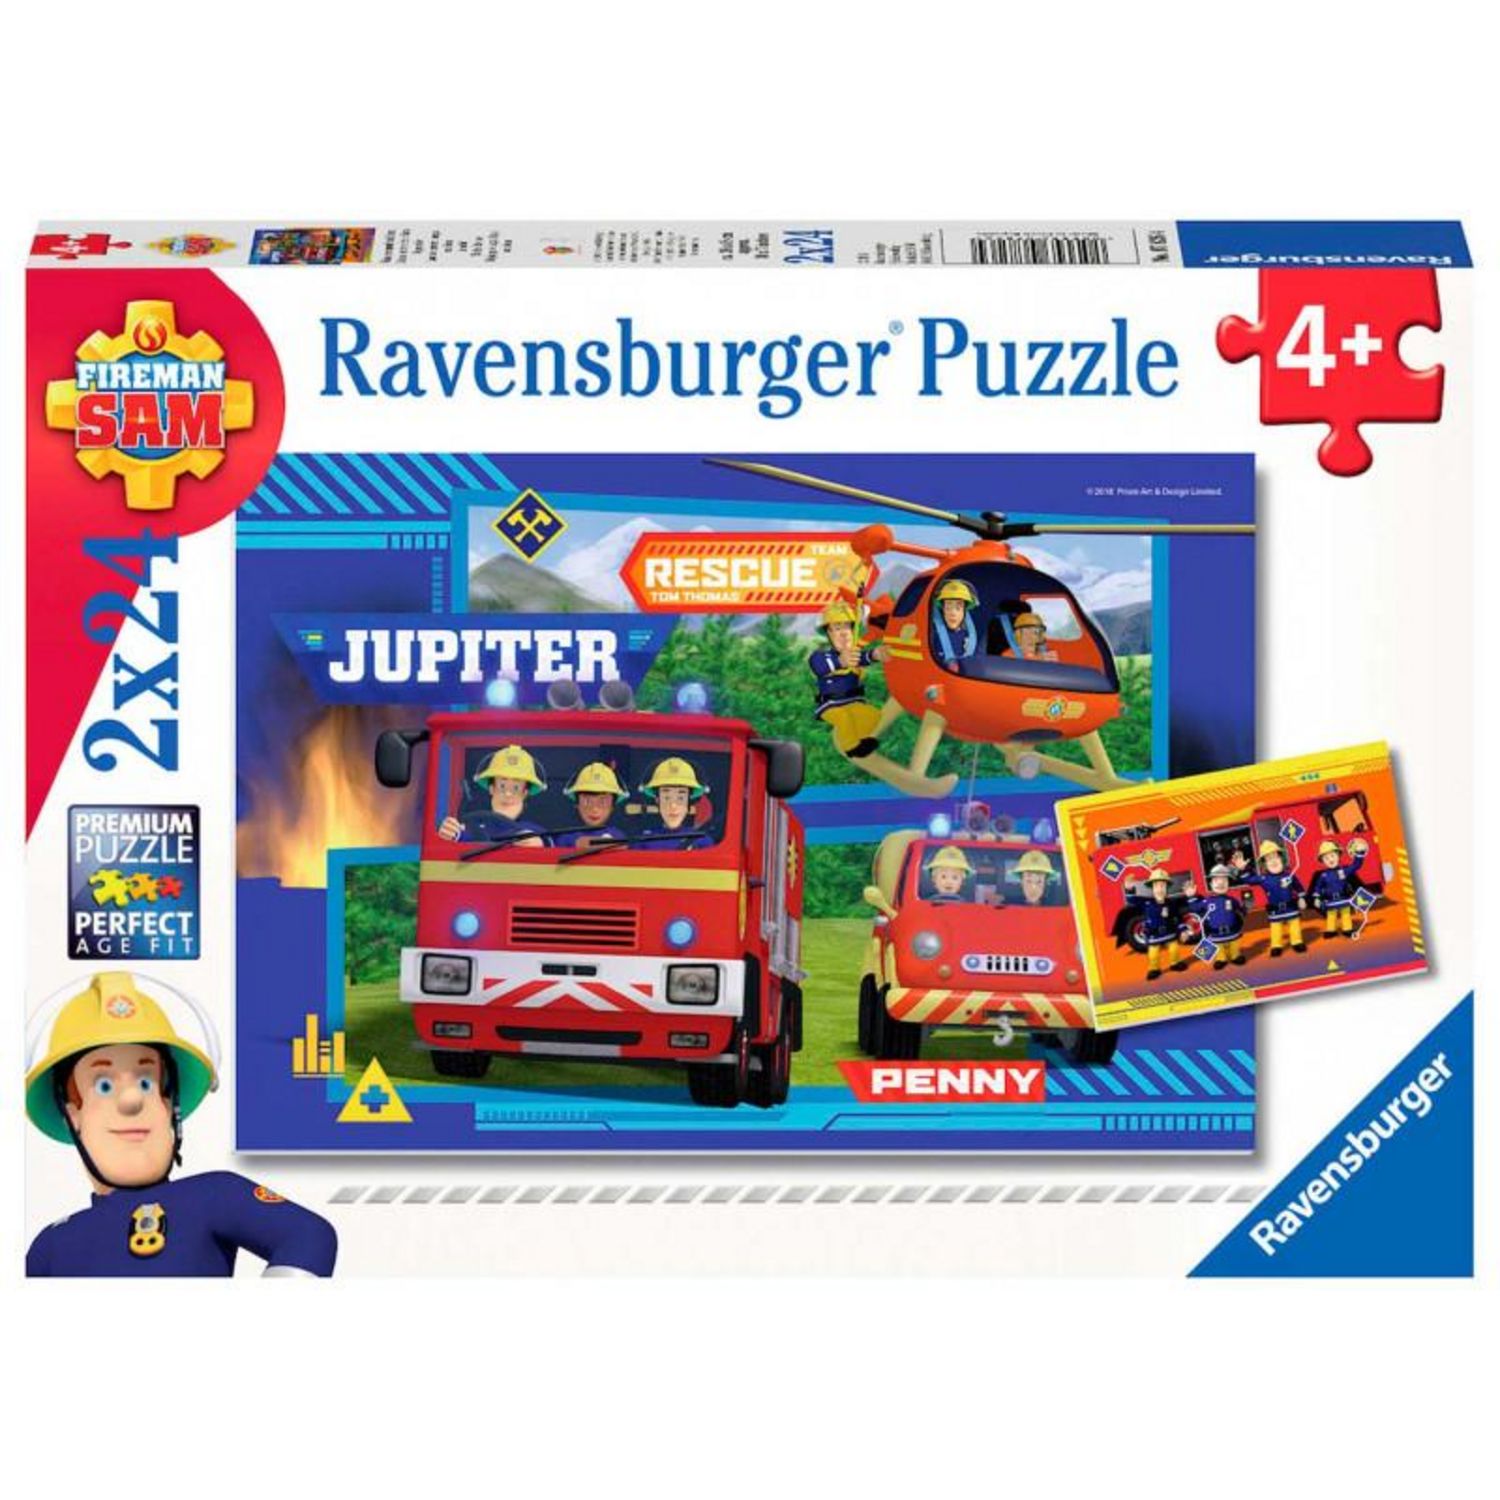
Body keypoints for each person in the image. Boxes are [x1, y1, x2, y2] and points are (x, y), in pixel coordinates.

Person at [25, 974, 337, 1277]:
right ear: (72, 1115)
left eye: (146, 1082)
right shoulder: (51, 1246)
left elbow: (308, 1236)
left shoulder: (213, 1194)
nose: (132, 1100)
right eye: (103, 1085)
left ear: (169, 1105)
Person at [807, 601, 881, 757]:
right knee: (843, 718)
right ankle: (851, 747)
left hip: (853, 700)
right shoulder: (821, 656)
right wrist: (840, 661)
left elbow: (864, 657)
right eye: (837, 628)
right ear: (828, 634)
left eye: (847, 627)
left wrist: (875, 654)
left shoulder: (854, 654)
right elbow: (820, 667)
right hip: (831, 704)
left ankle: (862, 740)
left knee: (872, 715)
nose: (844, 633)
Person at [439, 743, 547, 846]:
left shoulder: (534, 831)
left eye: (516, 788)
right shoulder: (473, 828)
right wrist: (449, 832)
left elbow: (552, 844)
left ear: (525, 793)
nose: (508, 794)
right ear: (492, 789)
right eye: (502, 786)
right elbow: (455, 841)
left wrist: (541, 843)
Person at [1231, 841, 1308, 956]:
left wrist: (1302, 898)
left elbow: (1299, 887)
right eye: (1268, 859)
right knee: (1275, 928)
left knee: (1294, 924)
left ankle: (1297, 941)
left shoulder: (1289, 875)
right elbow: (1248, 879)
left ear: (1282, 859)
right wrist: (1244, 868)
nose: (1273, 861)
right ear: (1264, 864)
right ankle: (1276, 945)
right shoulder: (1263, 878)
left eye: (1275, 857)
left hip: (1291, 907)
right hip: (1275, 910)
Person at [1183, 863, 1250, 969]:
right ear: (1210, 884)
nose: (1220, 883)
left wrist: (1245, 909)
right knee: (1219, 947)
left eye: (1224, 880)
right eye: (1216, 880)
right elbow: (1195, 907)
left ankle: (1235, 955)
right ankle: (1221, 959)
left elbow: (1240, 909)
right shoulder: (1207, 901)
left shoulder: (1232, 900)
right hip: (1215, 934)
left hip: (1232, 932)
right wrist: (1191, 897)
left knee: (1234, 945)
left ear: (1228, 883)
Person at [639, 757, 712, 849]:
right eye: (666, 798)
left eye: (680, 798)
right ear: (657, 800)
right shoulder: (644, 841)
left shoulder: (702, 841)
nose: (673, 806)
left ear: (688, 801)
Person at [1126, 872, 1187, 980]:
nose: (1160, 889)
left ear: (1167, 888)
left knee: (1174, 948)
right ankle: (1154, 969)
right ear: (1152, 888)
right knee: (1153, 953)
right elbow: (1131, 900)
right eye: (1156, 886)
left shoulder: (1171, 903)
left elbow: (1177, 917)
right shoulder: (1146, 902)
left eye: (1162, 886)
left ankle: (1175, 963)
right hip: (1153, 934)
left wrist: (1183, 930)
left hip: (1169, 932)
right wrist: (1129, 888)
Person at [555, 761, 629, 848]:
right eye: (587, 802)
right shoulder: (565, 838)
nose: (594, 809)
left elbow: (622, 845)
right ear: (577, 804)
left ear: (612, 806)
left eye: (603, 802)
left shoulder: (618, 835)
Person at [1308, 837, 1371, 939]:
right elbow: (1317, 888)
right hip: (1330, 901)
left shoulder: (1344, 871)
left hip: (1343, 898)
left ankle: (1347, 929)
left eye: (1332, 856)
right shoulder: (1323, 875)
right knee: (1331, 915)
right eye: (1326, 858)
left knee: (1346, 914)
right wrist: (1316, 898)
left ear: (1338, 855)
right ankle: (1331, 930)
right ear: (1322, 861)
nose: (1330, 860)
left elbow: (1356, 865)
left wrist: (1359, 853)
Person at [931, 578, 979, 666]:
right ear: (943, 609)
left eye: (958, 608)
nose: (953, 613)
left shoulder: (970, 639)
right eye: (948, 607)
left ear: (964, 611)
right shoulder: (932, 636)